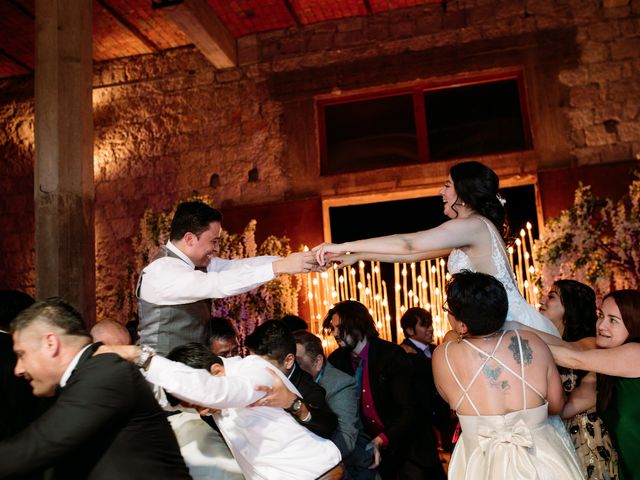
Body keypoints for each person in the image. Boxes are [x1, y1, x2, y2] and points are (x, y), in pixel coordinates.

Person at [313, 160, 559, 336]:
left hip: (509, 325)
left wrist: (341, 245)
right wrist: (358, 256)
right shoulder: (472, 227)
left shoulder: (473, 225)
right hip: (495, 323)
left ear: (463, 193)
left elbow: (409, 243)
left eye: (447, 185)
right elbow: (415, 255)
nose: (441, 191)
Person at [0, 298, 190, 479]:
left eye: (22, 354)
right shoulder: (75, 380)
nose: (18, 369)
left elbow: (35, 446)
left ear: (51, 344)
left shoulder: (106, 372)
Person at [101, 342, 344, 480]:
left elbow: (215, 392)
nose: (203, 412)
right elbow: (165, 400)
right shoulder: (213, 400)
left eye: (198, 404)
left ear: (217, 371)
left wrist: (142, 357)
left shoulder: (253, 372)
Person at [432, 271, 583, 479]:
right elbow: (557, 406)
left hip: (478, 462)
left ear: (462, 324)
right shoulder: (534, 343)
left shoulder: (443, 355)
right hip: (541, 457)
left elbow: (451, 402)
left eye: (448, 310)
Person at [137, 200, 320, 355]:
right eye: (214, 241)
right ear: (190, 239)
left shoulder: (198, 264)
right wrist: (280, 266)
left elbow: (237, 267)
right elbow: (218, 284)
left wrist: (292, 262)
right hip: (161, 379)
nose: (216, 249)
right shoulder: (162, 271)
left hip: (188, 373)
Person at [324, 300, 445, 480]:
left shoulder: (391, 354)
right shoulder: (336, 360)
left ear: (358, 324)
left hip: (408, 446)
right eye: (333, 328)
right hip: (367, 452)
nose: (335, 334)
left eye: (340, 327)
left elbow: (409, 410)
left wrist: (382, 439)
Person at [547, 290, 640, 480]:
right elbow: (565, 348)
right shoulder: (604, 368)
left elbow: (573, 359)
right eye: (601, 315)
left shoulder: (636, 353)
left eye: (613, 320)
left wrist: (510, 341)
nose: (601, 325)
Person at [539, 280, 618, 479]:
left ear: (571, 307)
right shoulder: (551, 345)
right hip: (558, 441)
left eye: (552, 296)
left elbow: (563, 409)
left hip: (587, 447)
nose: (542, 300)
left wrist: (515, 326)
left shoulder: (591, 344)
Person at [294, 330, 378, 480]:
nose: (292, 367)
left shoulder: (339, 384)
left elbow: (345, 441)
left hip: (353, 469)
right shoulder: (293, 384)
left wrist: (305, 463)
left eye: (298, 362)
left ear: (318, 362)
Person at [244, 320, 338, 439]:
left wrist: (293, 403)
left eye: (262, 366)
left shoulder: (308, 389)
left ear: (288, 361)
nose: (255, 371)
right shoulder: (249, 378)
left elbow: (328, 426)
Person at [399, 307, 455, 453]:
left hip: (444, 418)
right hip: (421, 426)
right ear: (410, 330)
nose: (431, 329)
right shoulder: (401, 353)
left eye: (430, 324)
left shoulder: (437, 349)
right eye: (424, 325)